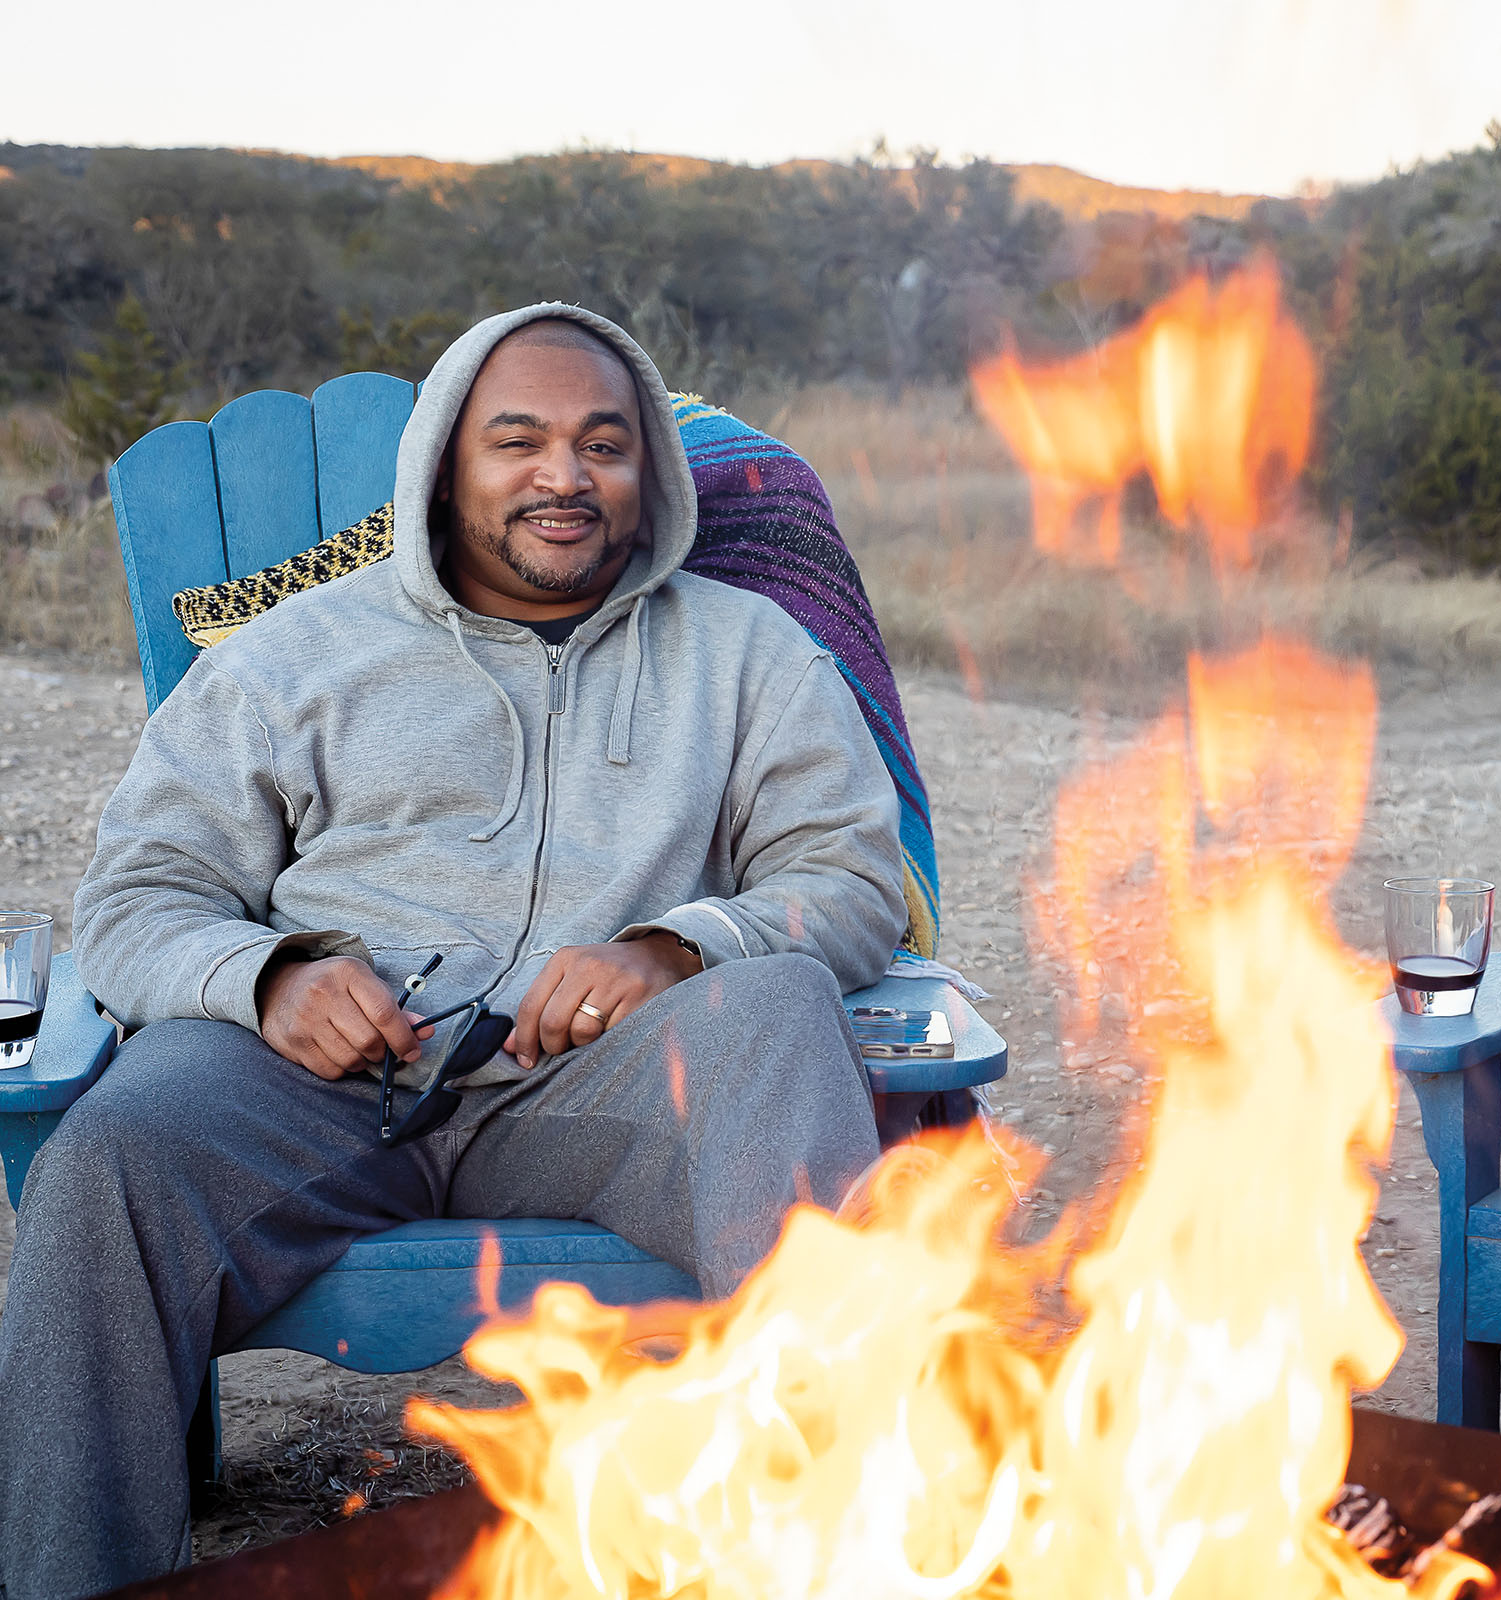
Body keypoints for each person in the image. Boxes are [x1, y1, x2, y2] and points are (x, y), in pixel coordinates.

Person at [0, 305, 909, 1599]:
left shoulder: (744, 653)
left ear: (644, 468)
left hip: (603, 1088)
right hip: (305, 1086)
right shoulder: (293, 656)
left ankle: (834, 1558)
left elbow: (852, 880)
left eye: (603, 443)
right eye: (519, 441)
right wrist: (266, 978)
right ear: (445, 463)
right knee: (109, 1158)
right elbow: (142, 895)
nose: (563, 475)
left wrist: (678, 947)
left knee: (770, 1014)